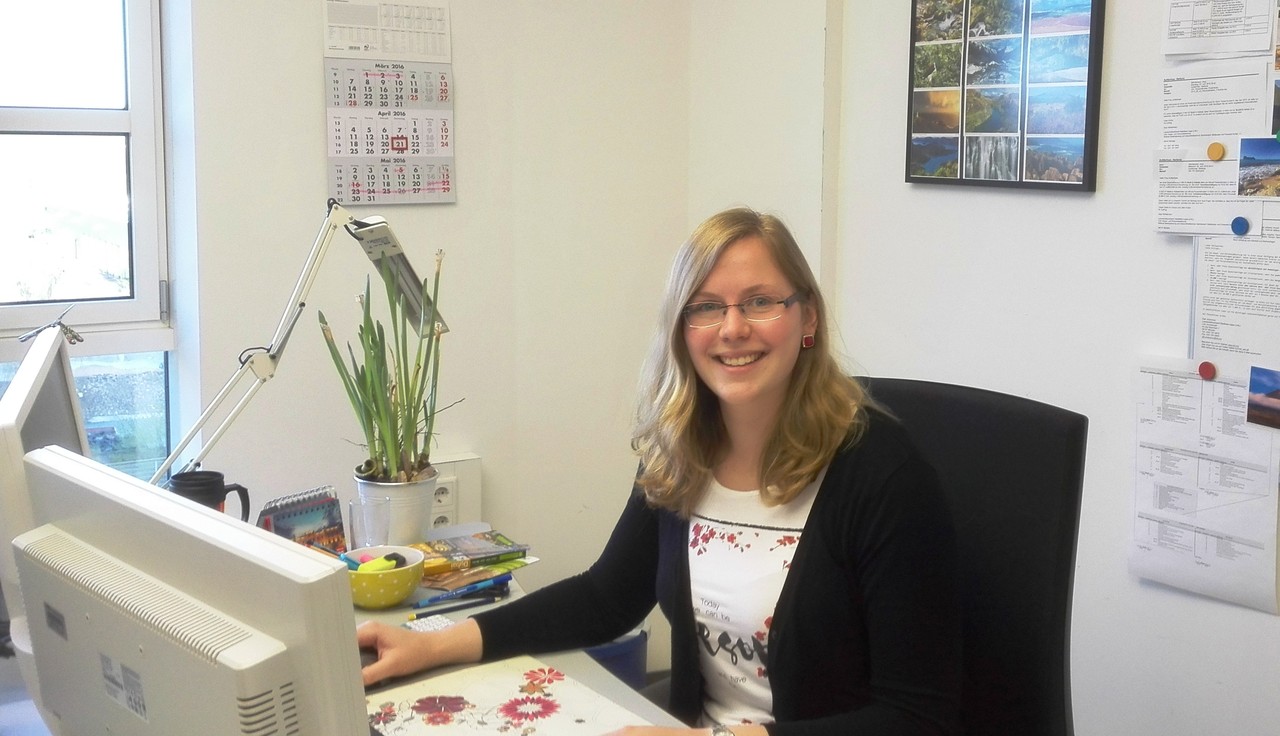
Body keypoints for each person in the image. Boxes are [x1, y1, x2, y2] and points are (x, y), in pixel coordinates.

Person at [357, 207, 962, 735]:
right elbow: (605, 598)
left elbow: (918, 717)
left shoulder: (881, 474)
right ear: (681, 330)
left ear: (807, 319)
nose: (732, 328)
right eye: (705, 308)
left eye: (760, 301)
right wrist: (430, 647)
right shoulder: (683, 451)